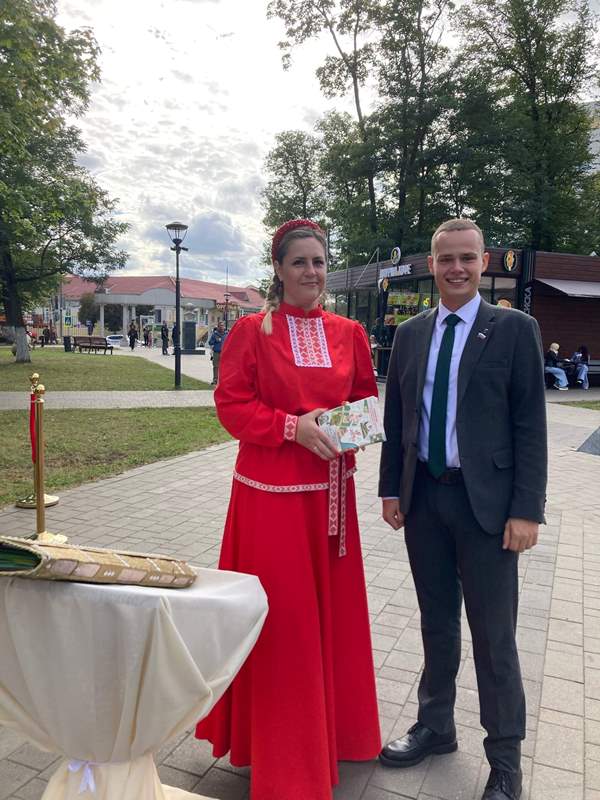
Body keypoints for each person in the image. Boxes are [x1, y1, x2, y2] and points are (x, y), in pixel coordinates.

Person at [195, 219, 381, 800]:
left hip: (330, 498)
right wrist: (291, 428)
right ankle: (279, 753)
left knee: (328, 622)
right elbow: (231, 405)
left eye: (319, 262)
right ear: (277, 268)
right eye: (299, 262)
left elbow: (366, 403)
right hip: (270, 503)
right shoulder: (251, 331)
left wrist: (343, 430)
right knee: (283, 626)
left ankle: (330, 738)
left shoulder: (350, 332)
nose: (311, 272)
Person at [378, 218, 547, 800]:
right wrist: (392, 490)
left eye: (467, 258)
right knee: (436, 622)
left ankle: (505, 760)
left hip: (489, 510)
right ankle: (436, 725)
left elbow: (530, 426)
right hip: (426, 499)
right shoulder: (410, 334)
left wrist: (527, 510)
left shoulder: (514, 329)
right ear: (431, 264)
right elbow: (398, 417)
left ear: (483, 262)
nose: (456, 268)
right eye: (446, 258)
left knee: (494, 636)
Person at [208, 320, 228, 385]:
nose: (222, 327)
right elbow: (210, 342)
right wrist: (215, 340)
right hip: (216, 353)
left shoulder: (227, 334)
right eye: (220, 326)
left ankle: (223, 380)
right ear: (218, 327)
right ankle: (215, 380)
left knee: (224, 367)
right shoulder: (215, 334)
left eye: (223, 326)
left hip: (224, 353)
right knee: (216, 366)